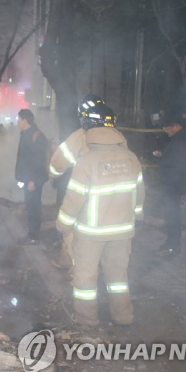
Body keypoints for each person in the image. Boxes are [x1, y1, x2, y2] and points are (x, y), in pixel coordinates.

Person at [56, 102, 144, 326]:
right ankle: (124, 316)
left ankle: (87, 320)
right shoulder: (131, 157)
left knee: (85, 278)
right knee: (118, 278)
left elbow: (74, 199)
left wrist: (63, 225)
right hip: (123, 232)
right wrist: (136, 218)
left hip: (91, 233)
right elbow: (139, 194)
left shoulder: (87, 160)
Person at [49, 95, 128, 269]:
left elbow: (56, 165)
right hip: (117, 209)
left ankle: (75, 270)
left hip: (87, 204)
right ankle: (67, 261)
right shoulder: (120, 137)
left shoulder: (79, 136)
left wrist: (55, 175)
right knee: (115, 270)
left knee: (75, 241)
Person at [152, 114, 186, 256]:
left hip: (173, 184)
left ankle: (174, 244)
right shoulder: (181, 139)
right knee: (171, 213)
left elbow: (171, 163)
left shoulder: (180, 141)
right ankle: (172, 242)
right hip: (174, 183)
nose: (165, 130)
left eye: (167, 127)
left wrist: (157, 159)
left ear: (176, 125)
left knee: (173, 214)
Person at [15, 108, 50, 244]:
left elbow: (38, 161)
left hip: (34, 180)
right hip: (28, 178)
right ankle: (32, 234)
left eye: (19, 119)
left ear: (25, 120)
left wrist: (32, 181)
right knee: (30, 206)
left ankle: (33, 237)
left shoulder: (36, 136)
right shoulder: (26, 134)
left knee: (34, 207)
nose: (17, 122)